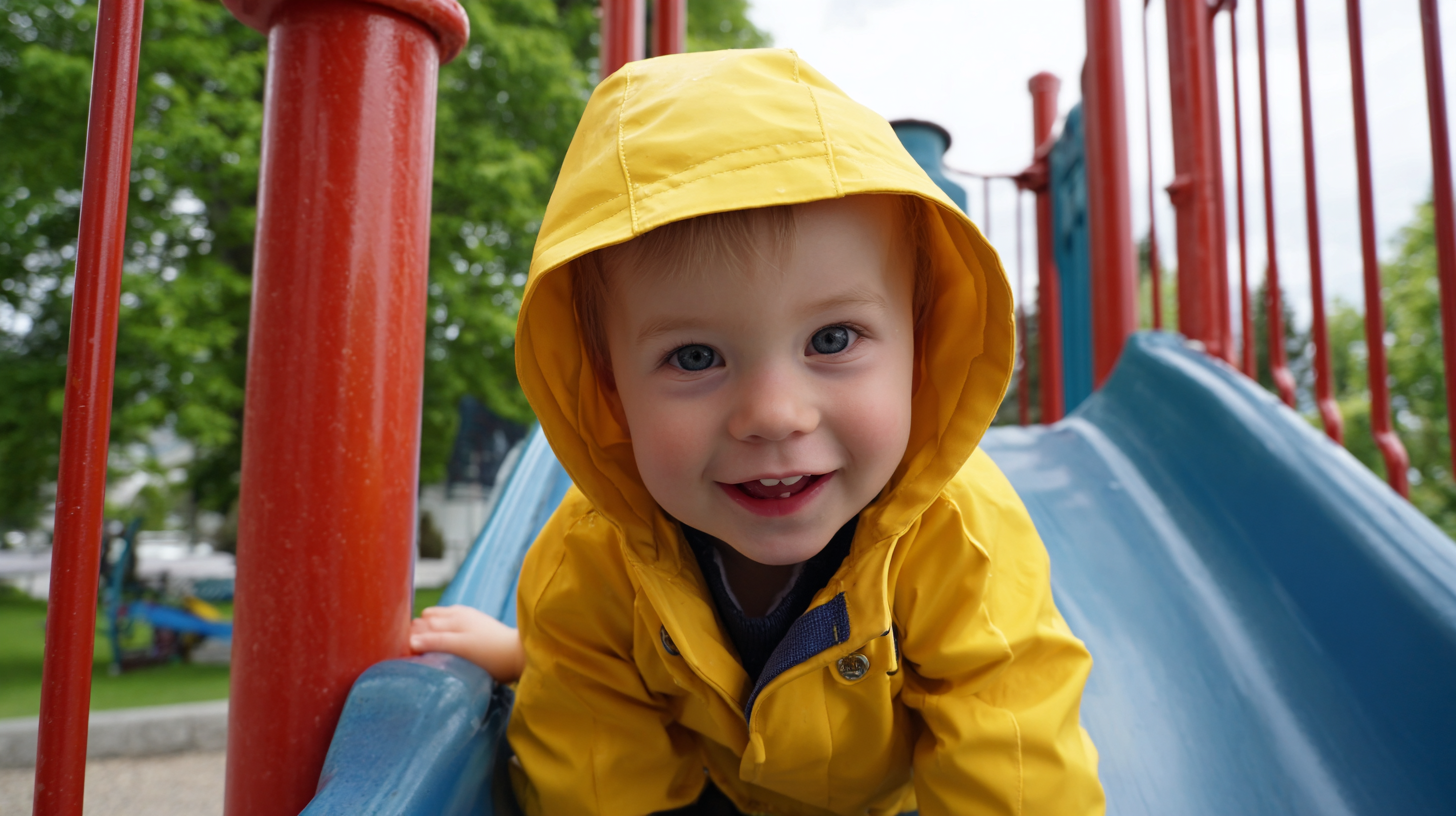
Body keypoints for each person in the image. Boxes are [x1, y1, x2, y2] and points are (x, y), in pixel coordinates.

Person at [409, 48, 1105, 815]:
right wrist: (550, 666)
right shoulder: (592, 566)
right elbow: (598, 777)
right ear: (610, 384)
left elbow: (1011, 757)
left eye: (833, 340)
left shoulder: (961, 543)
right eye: (695, 356)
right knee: (580, 666)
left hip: (889, 801)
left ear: (920, 341)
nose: (775, 414)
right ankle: (531, 658)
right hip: (716, 786)